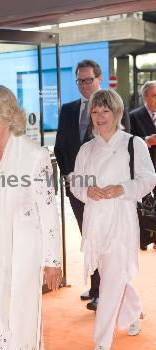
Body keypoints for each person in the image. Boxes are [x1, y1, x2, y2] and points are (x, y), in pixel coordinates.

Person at [0, 85, 62, 349]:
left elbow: (48, 211)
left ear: (7, 115)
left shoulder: (34, 155)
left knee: (17, 317)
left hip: (21, 253)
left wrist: (52, 261)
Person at [70, 89, 156, 350]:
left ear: (116, 113)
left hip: (122, 219)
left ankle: (101, 342)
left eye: (105, 111)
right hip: (95, 220)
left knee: (110, 281)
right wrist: (88, 190)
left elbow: (148, 178)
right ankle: (134, 311)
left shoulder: (133, 143)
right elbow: (76, 180)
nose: (99, 116)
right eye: (94, 112)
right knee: (112, 275)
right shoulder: (87, 148)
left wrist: (122, 188)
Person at [54, 59, 130, 311]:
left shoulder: (115, 106)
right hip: (79, 188)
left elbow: (123, 147)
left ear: (99, 79)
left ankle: (110, 292)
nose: (84, 84)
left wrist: (113, 186)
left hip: (108, 193)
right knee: (90, 237)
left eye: (88, 79)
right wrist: (70, 179)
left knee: (108, 241)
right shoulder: (68, 109)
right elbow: (60, 148)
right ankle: (98, 287)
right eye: (80, 80)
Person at [130, 80, 156, 250]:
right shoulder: (133, 116)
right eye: (154, 95)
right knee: (147, 205)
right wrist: (146, 140)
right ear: (145, 96)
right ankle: (145, 238)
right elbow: (129, 140)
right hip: (144, 168)